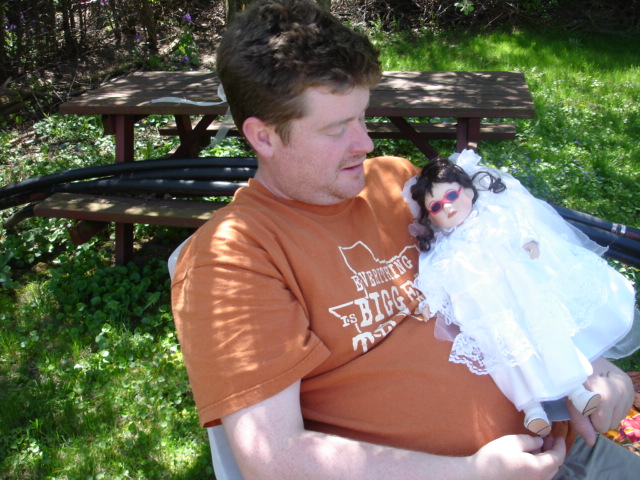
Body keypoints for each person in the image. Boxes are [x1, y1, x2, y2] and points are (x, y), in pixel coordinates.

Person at [170, 0, 639, 478]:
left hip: (564, 444)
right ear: (264, 137)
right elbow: (273, 457)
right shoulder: (234, 259)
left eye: (361, 116)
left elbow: (508, 273)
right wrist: (471, 473)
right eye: (336, 129)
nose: (365, 143)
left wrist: (593, 367)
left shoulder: (399, 184)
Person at [405, 149, 636, 437]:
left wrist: (528, 241)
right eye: (437, 207)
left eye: (451, 196)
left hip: (520, 294)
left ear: (468, 190)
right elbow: (434, 275)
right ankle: (530, 407)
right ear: (430, 218)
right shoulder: (444, 247)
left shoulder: (491, 217)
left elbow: (517, 223)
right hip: (486, 310)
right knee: (507, 355)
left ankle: (575, 388)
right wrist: (431, 300)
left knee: (547, 333)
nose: (448, 207)